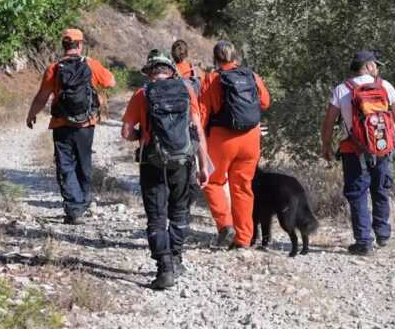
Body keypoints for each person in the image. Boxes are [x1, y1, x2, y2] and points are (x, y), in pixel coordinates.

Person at [121, 50, 212, 290]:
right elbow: (197, 131)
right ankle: (177, 258)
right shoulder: (187, 90)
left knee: (156, 218)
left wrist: (143, 135)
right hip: (183, 162)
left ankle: (164, 269)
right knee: (179, 213)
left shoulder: (142, 93)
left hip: (152, 162)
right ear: (171, 71)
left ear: (150, 72)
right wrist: (204, 165)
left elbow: (126, 133)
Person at [320, 50, 395, 256]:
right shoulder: (385, 86)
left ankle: (364, 242)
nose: (377, 69)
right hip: (383, 147)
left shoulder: (342, 90)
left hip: (354, 150)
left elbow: (329, 123)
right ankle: (383, 235)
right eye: (375, 65)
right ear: (368, 66)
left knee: (358, 194)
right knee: (380, 189)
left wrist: (326, 145)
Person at [26, 29, 116, 225]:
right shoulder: (91, 64)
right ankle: (82, 202)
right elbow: (111, 81)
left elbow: (42, 96)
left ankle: (74, 208)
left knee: (65, 165)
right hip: (86, 123)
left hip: (61, 123)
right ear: (80, 44)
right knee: (84, 163)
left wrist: (31, 114)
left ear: (64, 45)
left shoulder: (54, 68)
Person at [199, 41, 270, 250]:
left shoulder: (212, 79)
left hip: (222, 139)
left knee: (212, 182)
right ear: (235, 57)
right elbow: (266, 102)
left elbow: (203, 112)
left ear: (215, 58)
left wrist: (199, 140)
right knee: (243, 188)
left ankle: (225, 225)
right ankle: (244, 239)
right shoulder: (251, 76)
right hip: (250, 138)